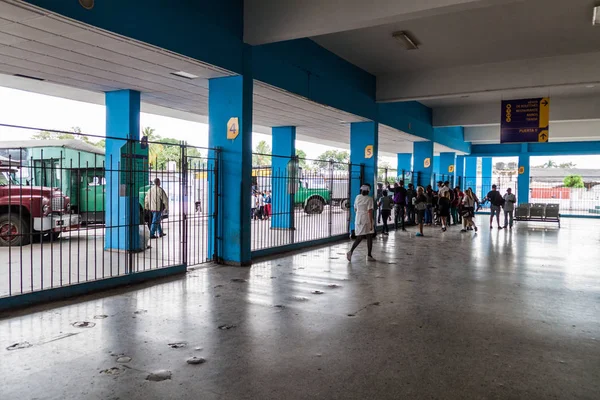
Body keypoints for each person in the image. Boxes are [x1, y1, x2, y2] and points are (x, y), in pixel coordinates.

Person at [347, 184, 376, 262]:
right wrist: (371, 222)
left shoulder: (357, 197)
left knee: (361, 236)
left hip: (358, 218)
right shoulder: (369, 199)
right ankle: (367, 255)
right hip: (366, 219)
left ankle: (352, 252)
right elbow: (370, 211)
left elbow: (355, 209)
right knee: (368, 237)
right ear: (368, 191)